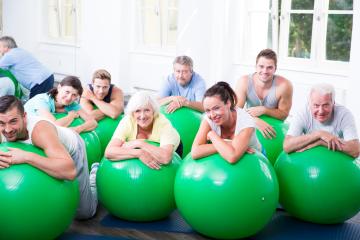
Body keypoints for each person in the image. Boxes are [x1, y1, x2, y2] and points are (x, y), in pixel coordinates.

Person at [0, 96, 98, 219]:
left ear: (24, 117)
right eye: (2, 123)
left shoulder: (40, 130)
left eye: (13, 121)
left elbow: (69, 171)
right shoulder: (2, 129)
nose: (7, 129)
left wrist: (26, 156)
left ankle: (93, 175)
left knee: (84, 213)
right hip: (48, 150)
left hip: (71, 149)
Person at [105, 91, 180, 169]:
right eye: (137, 111)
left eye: (147, 110)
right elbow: (109, 152)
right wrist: (139, 153)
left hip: (173, 150)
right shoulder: (128, 121)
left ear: (153, 111)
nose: (142, 116)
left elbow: (165, 158)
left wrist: (139, 144)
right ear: (132, 113)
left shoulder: (164, 124)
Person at [192, 82, 262, 163]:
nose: (212, 115)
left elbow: (232, 157)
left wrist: (212, 136)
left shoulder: (246, 121)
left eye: (216, 108)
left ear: (228, 103)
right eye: (207, 110)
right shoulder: (208, 119)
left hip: (255, 161)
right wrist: (231, 144)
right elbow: (195, 152)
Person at [283, 83, 360, 158]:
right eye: (316, 105)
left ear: (333, 103)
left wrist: (321, 142)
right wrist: (319, 134)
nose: (321, 111)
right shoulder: (303, 113)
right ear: (309, 104)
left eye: (326, 105)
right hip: (311, 160)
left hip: (337, 162)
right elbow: (287, 146)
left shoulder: (344, 114)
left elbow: (355, 150)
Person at [235, 48, 293, 139]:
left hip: (274, 129)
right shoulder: (244, 82)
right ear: (256, 67)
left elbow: (284, 115)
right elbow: (235, 111)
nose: (265, 71)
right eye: (261, 66)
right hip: (249, 124)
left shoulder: (284, 85)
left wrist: (265, 110)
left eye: (269, 67)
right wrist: (255, 121)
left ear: (275, 69)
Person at [24, 76, 97, 134]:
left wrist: (78, 129)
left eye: (74, 95)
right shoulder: (42, 100)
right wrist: (71, 116)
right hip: (24, 130)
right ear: (59, 88)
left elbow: (93, 122)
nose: (69, 98)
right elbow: (54, 125)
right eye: (67, 92)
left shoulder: (72, 104)